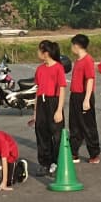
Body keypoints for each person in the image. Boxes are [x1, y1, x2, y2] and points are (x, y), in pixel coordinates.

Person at [30, 40, 66, 177]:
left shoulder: (58, 68)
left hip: (53, 102)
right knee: (41, 134)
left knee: (56, 135)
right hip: (42, 102)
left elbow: (62, 89)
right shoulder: (40, 69)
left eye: (39, 50)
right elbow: (38, 90)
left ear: (46, 53)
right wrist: (35, 112)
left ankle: (57, 163)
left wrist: (59, 110)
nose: (38, 53)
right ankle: (44, 163)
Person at [68, 34, 101, 164]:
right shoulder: (78, 60)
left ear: (76, 46)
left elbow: (90, 79)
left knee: (88, 126)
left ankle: (94, 154)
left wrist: (87, 99)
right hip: (75, 96)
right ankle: (74, 153)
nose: (71, 48)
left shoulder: (88, 60)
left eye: (72, 45)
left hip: (84, 95)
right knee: (74, 125)